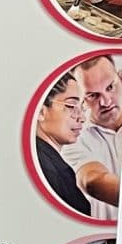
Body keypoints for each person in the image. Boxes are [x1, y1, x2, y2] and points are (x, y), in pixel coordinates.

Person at [59, 53, 122, 219]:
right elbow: (92, 181)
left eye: (110, 87)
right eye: (93, 95)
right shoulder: (72, 139)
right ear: (81, 99)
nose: (105, 102)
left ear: (121, 78)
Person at [31, 71, 93, 214]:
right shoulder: (45, 169)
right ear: (41, 111)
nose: (82, 118)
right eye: (71, 106)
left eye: (82, 107)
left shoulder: (48, 163)